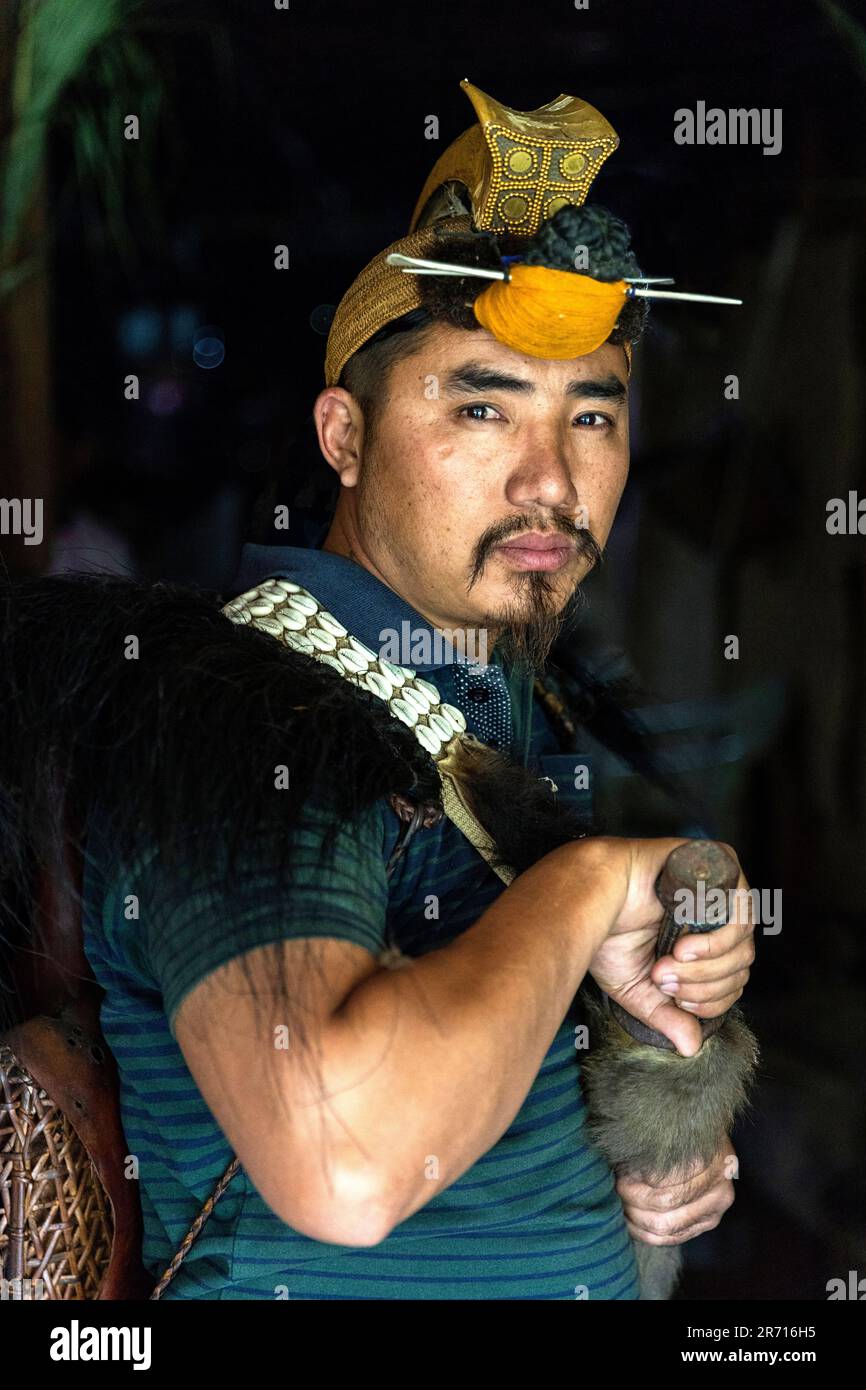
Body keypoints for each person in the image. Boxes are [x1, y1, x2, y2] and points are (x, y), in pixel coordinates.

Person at [2, 80, 755, 1300]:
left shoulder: (502, 719)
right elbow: (345, 1164)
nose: (548, 481)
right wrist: (587, 884)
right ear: (342, 437)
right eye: (477, 405)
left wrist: (654, 1160)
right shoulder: (246, 721)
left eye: (592, 416)